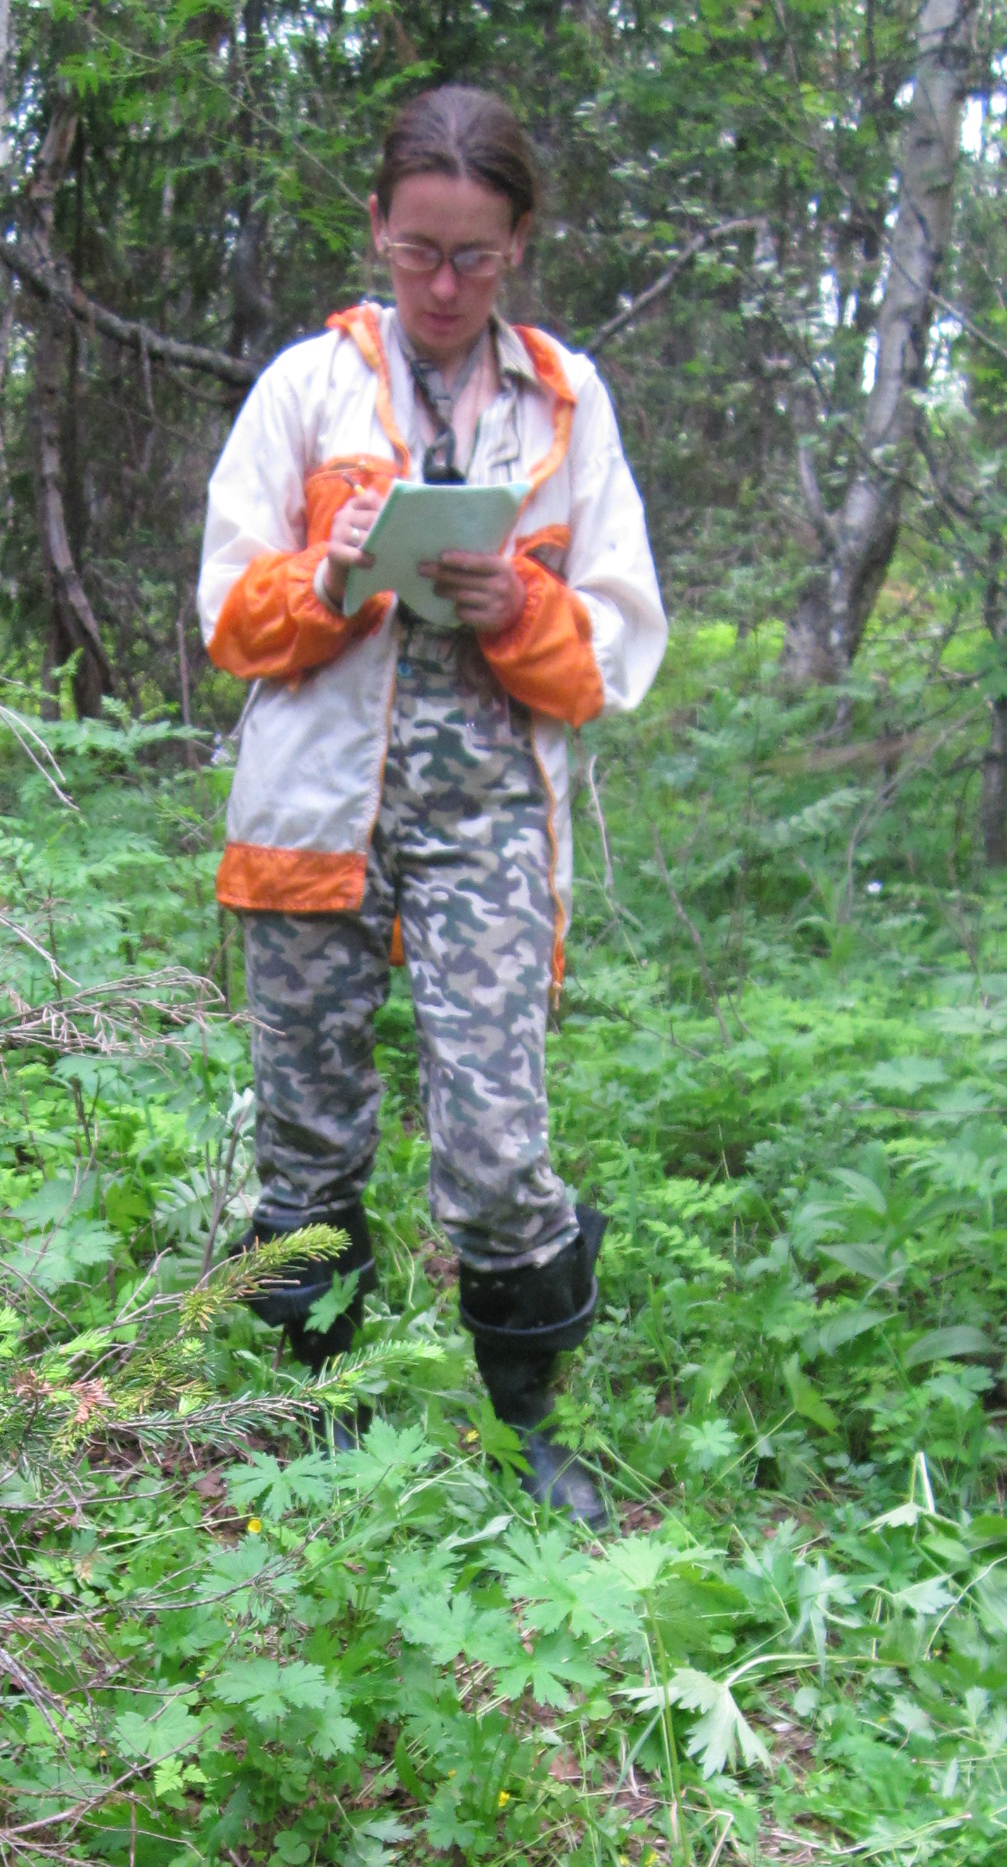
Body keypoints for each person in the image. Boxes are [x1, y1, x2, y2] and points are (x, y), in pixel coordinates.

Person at [197, 85, 667, 1523]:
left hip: (491, 824)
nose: (445, 285)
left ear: (517, 242)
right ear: (378, 233)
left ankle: (530, 1433)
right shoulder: (306, 391)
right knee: (307, 1142)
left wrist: (518, 603)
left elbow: (616, 652)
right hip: (313, 819)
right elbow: (227, 618)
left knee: (499, 1149)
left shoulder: (564, 403)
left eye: (473, 254)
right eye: (418, 252)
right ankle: (320, 1424)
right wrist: (333, 574)